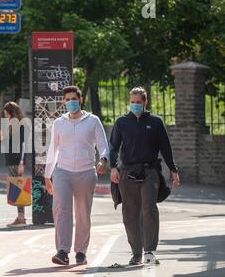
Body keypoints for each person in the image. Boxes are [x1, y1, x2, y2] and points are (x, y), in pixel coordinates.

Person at [109, 86, 180, 265]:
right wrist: (113, 167)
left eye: (138, 102)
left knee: (149, 210)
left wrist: (173, 170)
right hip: (127, 172)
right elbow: (113, 147)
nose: (135, 105)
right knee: (130, 213)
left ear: (145, 102)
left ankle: (149, 251)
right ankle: (136, 253)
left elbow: (165, 147)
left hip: (150, 172)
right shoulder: (121, 122)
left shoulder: (155, 122)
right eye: (132, 102)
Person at [45, 86, 109, 266]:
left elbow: (103, 145)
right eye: (67, 99)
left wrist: (103, 159)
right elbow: (53, 149)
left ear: (80, 100)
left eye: (74, 99)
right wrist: (47, 174)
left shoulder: (92, 121)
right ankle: (62, 251)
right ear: (64, 102)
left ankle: (80, 251)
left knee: (82, 214)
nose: (71, 102)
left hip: (86, 172)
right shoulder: (59, 123)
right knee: (61, 211)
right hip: (63, 172)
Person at [0, 101, 28, 227]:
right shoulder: (11, 126)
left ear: (11, 113)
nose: (5, 116)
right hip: (11, 161)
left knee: (18, 188)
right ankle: (21, 217)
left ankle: (21, 218)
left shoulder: (21, 126)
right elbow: (7, 145)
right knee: (15, 189)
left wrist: (22, 162)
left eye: (6, 114)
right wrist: (1, 138)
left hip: (16, 161)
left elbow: (23, 145)